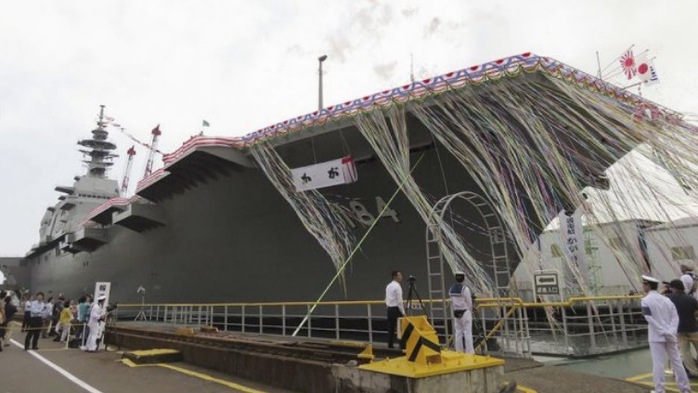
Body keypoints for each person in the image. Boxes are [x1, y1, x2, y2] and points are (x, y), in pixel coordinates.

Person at [641, 275, 692, 393]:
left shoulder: (645, 301)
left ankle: (659, 390)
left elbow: (649, 318)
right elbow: (675, 317)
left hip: (656, 336)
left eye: (644, 284)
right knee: (677, 362)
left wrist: (662, 331)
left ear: (648, 286)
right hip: (671, 335)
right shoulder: (667, 300)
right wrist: (671, 331)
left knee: (658, 363)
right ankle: (685, 388)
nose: (643, 286)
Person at [666, 279, 698, 378]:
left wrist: (664, 290)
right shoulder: (691, 299)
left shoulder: (668, 298)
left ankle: (693, 371)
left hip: (679, 329)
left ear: (673, 288)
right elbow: (696, 313)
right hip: (693, 327)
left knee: (685, 351)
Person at [449, 271, 474, 354]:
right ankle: (469, 352)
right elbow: (469, 302)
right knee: (467, 333)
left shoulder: (451, 289)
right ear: (463, 279)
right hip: (465, 312)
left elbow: (452, 302)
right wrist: (470, 311)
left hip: (456, 312)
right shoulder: (465, 289)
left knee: (458, 333)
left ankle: (459, 351)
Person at [385, 270, 405, 349]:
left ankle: (390, 344)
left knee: (391, 327)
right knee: (400, 327)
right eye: (399, 275)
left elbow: (387, 298)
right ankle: (402, 345)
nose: (401, 277)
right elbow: (399, 300)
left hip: (389, 308)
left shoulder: (388, 286)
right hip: (396, 308)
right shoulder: (397, 286)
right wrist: (403, 312)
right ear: (395, 277)